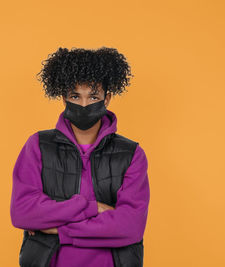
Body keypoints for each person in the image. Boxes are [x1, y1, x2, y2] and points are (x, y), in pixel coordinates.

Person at [10, 47, 150, 267]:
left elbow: (130, 227)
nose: (84, 104)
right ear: (64, 97)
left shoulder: (131, 154)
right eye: (76, 96)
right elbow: (23, 213)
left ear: (107, 99)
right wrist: (93, 208)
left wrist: (60, 228)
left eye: (93, 96)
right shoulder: (38, 145)